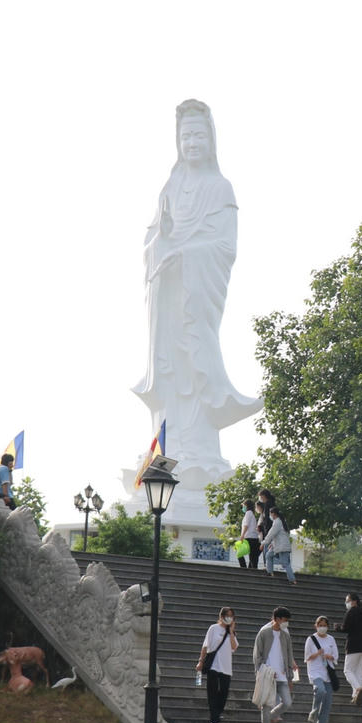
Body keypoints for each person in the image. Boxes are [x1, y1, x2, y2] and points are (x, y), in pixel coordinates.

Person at [132, 99, 261, 482]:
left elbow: (226, 247)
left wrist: (185, 253)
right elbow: (152, 239)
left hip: (197, 291)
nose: (192, 142)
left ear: (211, 140)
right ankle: (166, 450)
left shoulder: (220, 187)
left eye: (199, 135)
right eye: (186, 135)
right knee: (170, 369)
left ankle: (200, 452)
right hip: (168, 292)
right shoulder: (170, 186)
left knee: (196, 362)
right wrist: (165, 240)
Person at [252, 606, 297, 723]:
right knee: (265, 706)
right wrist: (260, 673)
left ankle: (270, 717)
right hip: (268, 675)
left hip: (283, 676)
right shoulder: (264, 633)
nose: (286, 623)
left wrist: (290, 677)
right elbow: (257, 655)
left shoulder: (285, 635)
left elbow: (289, 656)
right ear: (277, 619)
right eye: (284, 620)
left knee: (287, 702)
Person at [196, 606, 238, 723]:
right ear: (221, 616)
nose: (229, 618)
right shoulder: (213, 628)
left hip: (226, 667)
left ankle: (218, 712)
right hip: (213, 665)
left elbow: (234, 647)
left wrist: (231, 631)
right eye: (227, 615)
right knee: (212, 693)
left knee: (224, 692)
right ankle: (214, 720)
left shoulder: (231, 632)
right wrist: (200, 661)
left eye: (231, 616)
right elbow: (205, 646)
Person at [336, 592, 362, 705]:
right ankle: (355, 696)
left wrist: (338, 628)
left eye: (347, 601)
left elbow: (345, 628)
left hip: (354, 646)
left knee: (348, 670)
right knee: (360, 672)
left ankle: (358, 689)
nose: (346, 603)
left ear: (354, 601)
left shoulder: (352, 611)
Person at [304, 615, 339, 723]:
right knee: (320, 690)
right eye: (320, 625)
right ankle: (313, 712)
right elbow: (307, 657)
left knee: (327, 701)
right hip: (315, 670)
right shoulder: (311, 639)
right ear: (316, 626)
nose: (322, 628)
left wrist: (330, 656)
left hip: (328, 672)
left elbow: (336, 655)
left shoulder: (331, 639)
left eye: (324, 625)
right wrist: (317, 654)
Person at [261, 507, 296, 585]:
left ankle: (292, 580)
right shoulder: (282, 522)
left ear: (273, 514)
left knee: (285, 564)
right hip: (278, 546)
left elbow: (271, 534)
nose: (270, 515)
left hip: (282, 547)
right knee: (268, 555)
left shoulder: (277, 522)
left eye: (270, 513)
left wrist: (263, 543)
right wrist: (272, 544)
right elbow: (279, 536)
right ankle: (270, 572)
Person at [240, 498, 261, 569]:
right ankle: (249, 569)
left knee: (240, 553)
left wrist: (242, 536)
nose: (243, 508)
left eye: (243, 506)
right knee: (253, 558)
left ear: (246, 505)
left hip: (249, 538)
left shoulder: (248, 513)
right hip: (253, 538)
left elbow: (246, 525)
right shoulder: (251, 513)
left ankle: (244, 568)